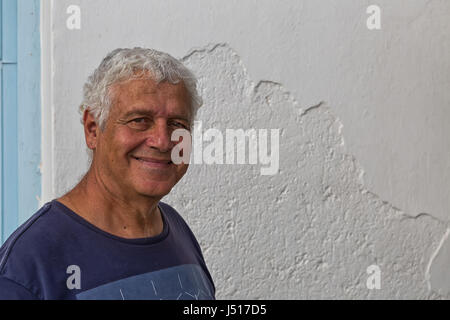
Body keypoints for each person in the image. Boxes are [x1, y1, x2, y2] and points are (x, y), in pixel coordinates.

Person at [0, 48, 215, 300]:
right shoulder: (28, 265)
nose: (162, 141)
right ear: (93, 129)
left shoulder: (177, 230)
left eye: (177, 124)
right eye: (139, 120)